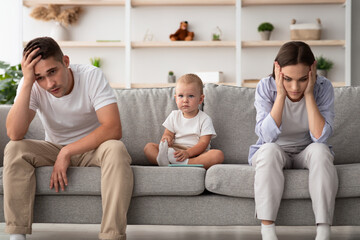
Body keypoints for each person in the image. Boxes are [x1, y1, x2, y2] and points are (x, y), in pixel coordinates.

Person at [3, 37, 133, 240]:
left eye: (52, 72)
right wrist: (28, 81)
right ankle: (17, 235)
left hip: (93, 149)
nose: (49, 83)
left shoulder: (91, 76)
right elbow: (14, 133)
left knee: (116, 149)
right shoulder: (33, 84)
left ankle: (112, 236)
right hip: (52, 148)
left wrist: (68, 150)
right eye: (40, 77)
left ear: (65, 61)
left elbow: (113, 128)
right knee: (14, 148)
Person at [248, 41, 338, 240]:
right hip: (274, 151)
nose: (294, 87)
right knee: (270, 149)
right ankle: (268, 232)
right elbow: (267, 136)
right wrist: (280, 95)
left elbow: (320, 137)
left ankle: (323, 232)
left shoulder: (323, 87)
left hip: (306, 152)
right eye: (287, 79)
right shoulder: (265, 87)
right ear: (277, 71)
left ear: (312, 71)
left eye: (303, 79)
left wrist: (309, 94)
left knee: (321, 150)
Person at [144, 74, 224, 169]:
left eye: (190, 96)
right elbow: (168, 134)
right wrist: (167, 139)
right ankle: (165, 161)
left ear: (200, 99)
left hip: (197, 153)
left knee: (218, 155)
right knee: (148, 147)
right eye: (181, 96)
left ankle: (188, 163)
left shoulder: (205, 119)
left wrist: (188, 153)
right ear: (176, 98)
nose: (185, 100)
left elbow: (203, 143)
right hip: (175, 151)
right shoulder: (174, 115)